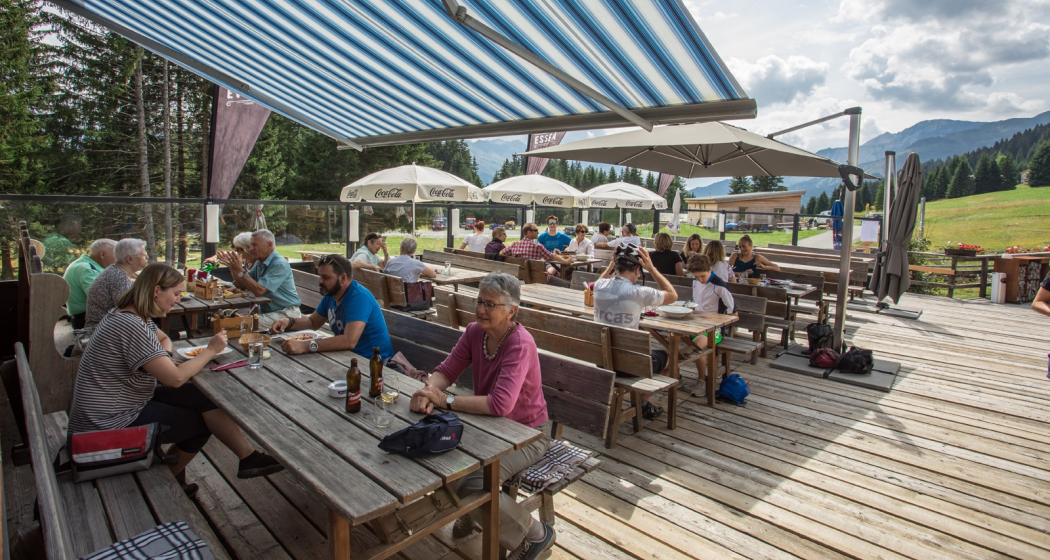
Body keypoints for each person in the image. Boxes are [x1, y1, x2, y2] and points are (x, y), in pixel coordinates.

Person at [68, 264, 284, 490]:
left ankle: (248, 457)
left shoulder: (131, 315)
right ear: (156, 291)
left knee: (204, 396)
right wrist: (211, 350)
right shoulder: (131, 325)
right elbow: (175, 379)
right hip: (107, 424)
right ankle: (164, 485)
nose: (179, 299)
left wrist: (161, 359)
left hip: (122, 404)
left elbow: (162, 342)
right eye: (176, 293)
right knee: (201, 423)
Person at [409, 273, 555, 559]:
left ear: (511, 310)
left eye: (490, 304)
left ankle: (535, 533)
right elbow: (448, 370)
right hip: (490, 427)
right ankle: (476, 513)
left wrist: (445, 400)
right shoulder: (476, 331)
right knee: (439, 456)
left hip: (528, 434)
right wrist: (428, 391)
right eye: (479, 302)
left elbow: (500, 404)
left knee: (471, 480)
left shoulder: (520, 343)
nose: (480, 310)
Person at [592, 243, 676, 419]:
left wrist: (611, 265)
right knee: (669, 357)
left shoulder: (599, 287)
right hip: (630, 366)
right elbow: (672, 295)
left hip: (601, 361)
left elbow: (600, 281)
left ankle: (641, 403)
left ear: (616, 266)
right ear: (638, 270)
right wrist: (652, 269)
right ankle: (643, 404)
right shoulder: (639, 292)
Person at [271, 254, 394, 360]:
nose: (320, 281)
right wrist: (288, 322)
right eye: (320, 276)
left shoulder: (359, 298)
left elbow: (349, 341)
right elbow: (312, 322)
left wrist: (306, 346)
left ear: (342, 278)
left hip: (374, 364)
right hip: (347, 357)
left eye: (325, 277)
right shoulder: (332, 294)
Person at [219, 229, 301, 329]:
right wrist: (233, 267)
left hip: (286, 314)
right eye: (250, 245)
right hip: (269, 312)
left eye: (254, 245)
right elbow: (242, 285)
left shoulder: (279, 264)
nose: (250, 249)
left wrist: (240, 270)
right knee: (226, 319)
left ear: (269, 245)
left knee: (237, 325)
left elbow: (259, 291)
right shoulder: (260, 262)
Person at [684, 254, 736, 386]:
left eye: (702, 276)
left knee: (696, 345)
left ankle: (702, 379)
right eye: (696, 277)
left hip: (715, 328)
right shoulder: (695, 282)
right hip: (696, 322)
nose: (700, 280)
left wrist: (723, 324)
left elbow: (734, 312)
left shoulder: (720, 286)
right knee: (672, 338)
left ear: (710, 270)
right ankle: (674, 374)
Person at [84, 238, 149, 335]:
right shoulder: (118, 277)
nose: (147, 257)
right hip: (103, 332)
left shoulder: (115, 272)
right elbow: (130, 312)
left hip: (107, 327)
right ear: (130, 259)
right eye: (143, 255)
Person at [64, 238, 116, 329]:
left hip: (83, 317)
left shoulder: (85, 264)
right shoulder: (87, 269)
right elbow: (101, 299)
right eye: (117, 254)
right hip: (86, 321)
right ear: (103, 254)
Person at [500, 223, 573, 287]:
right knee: (568, 285)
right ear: (529, 232)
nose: (538, 232)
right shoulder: (537, 246)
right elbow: (553, 256)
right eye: (535, 230)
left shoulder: (515, 245)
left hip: (522, 278)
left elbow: (501, 253)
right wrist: (566, 261)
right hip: (540, 279)